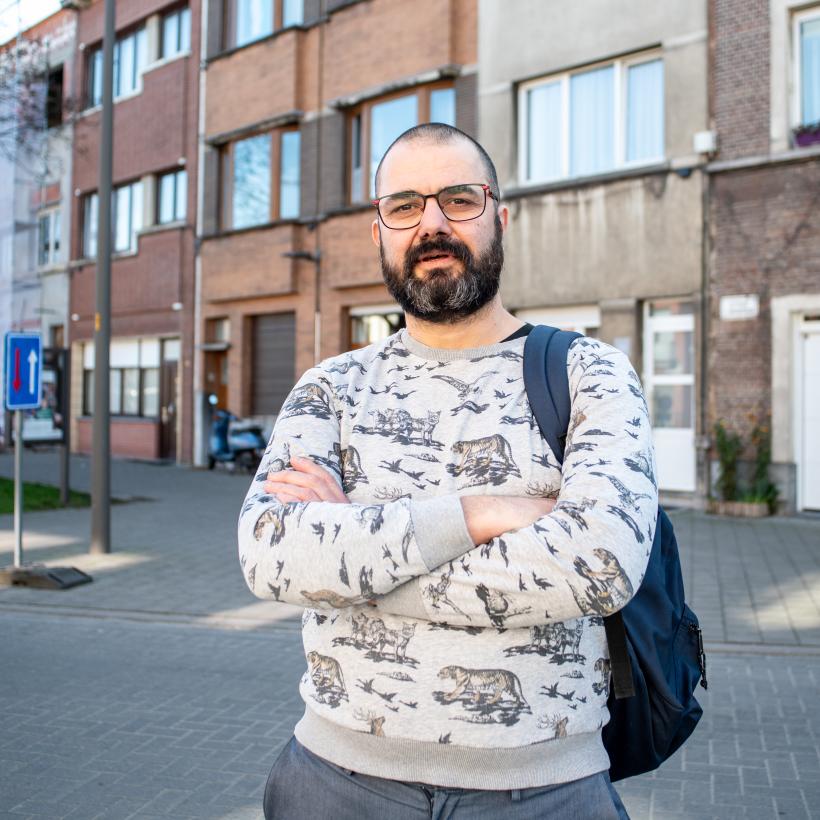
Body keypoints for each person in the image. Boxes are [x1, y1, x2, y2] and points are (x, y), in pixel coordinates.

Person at [237, 123, 656, 819]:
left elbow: (599, 563)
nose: (431, 222)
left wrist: (351, 567)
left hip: (545, 791)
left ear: (500, 218)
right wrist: (481, 515)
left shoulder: (588, 372)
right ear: (378, 232)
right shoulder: (330, 388)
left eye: (459, 198)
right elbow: (269, 557)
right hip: (332, 785)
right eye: (403, 206)